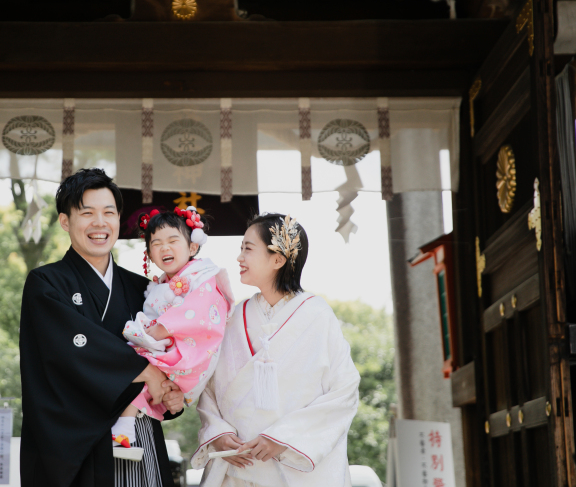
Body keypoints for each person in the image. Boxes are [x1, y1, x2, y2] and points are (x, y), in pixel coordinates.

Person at [19, 168, 184, 487]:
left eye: (109, 212)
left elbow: (172, 355)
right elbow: (69, 349)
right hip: (73, 448)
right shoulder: (46, 284)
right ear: (65, 221)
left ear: (119, 220)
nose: (99, 223)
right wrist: (145, 371)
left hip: (138, 436)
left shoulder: (144, 289)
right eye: (87, 213)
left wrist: (173, 395)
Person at [191, 214, 360, 487]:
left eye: (247, 248)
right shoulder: (234, 316)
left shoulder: (317, 315)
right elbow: (209, 385)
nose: (239, 257)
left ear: (278, 259)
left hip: (291, 468)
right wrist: (218, 433)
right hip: (237, 466)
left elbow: (344, 390)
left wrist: (283, 438)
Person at [111, 208, 234, 447]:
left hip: (190, 349)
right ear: (148, 254)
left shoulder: (204, 276)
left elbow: (198, 312)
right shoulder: (159, 284)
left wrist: (154, 333)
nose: (164, 248)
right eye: (156, 243)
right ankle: (125, 428)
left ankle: (124, 426)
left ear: (192, 247)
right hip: (168, 347)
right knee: (138, 375)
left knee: (134, 361)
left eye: (173, 240)